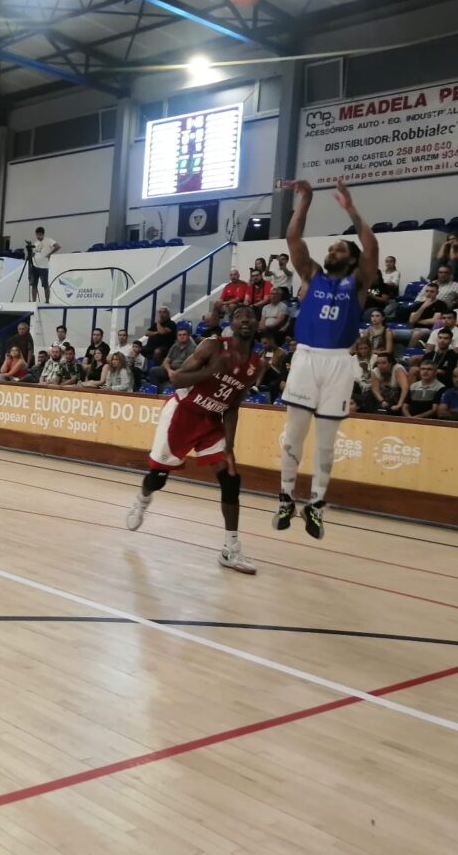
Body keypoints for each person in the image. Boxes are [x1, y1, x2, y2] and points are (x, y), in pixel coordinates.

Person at [124, 306, 263, 575]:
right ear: (230, 324)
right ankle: (142, 500)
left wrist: (230, 447)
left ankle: (230, 549)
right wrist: (211, 371)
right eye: (238, 316)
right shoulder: (212, 347)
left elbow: (233, 406)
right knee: (158, 478)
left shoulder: (256, 364)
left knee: (231, 479)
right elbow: (176, 380)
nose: (245, 318)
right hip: (182, 413)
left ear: (257, 324)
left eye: (249, 316)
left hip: (211, 422)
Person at [277, 179, 379, 538]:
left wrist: (350, 208)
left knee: (325, 440)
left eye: (338, 250)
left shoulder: (359, 283)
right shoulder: (312, 275)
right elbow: (293, 239)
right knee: (294, 434)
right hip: (306, 357)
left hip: (338, 362)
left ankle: (317, 504)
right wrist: (305, 200)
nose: (331, 252)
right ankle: (286, 496)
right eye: (331, 249)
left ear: (350, 259)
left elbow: (371, 245)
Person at [27, 226, 59, 302]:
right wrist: (30, 253)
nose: (38, 236)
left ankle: (47, 301)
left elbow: (58, 246)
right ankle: (34, 301)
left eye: (40, 235)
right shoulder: (36, 243)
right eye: (37, 235)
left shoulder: (49, 240)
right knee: (34, 285)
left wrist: (50, 254)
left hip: (44, 267)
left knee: (45, 285)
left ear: (43, 234)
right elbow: (34, 254)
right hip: (35, 266)